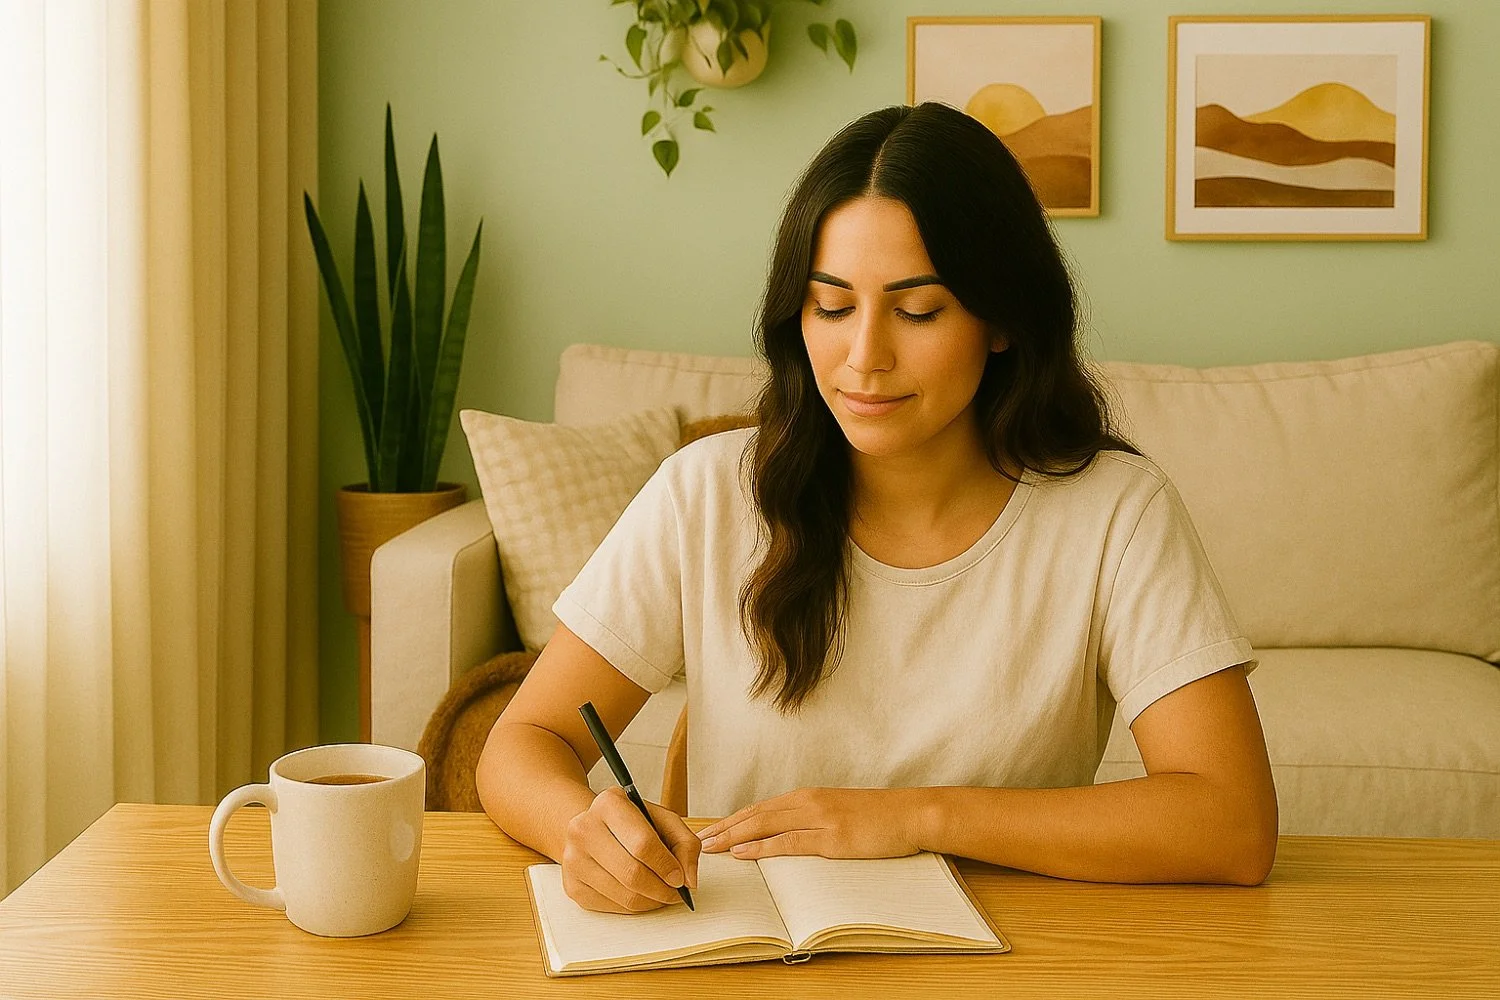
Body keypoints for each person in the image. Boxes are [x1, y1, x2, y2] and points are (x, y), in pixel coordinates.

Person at [476, 101, 1277, 915]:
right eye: (832, 306)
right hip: (751, 959)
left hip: (1014, 960)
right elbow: (522, 743)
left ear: (1000, 319)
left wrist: (917, 816)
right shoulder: (706, 494)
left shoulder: (1115, 514)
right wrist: (583, 829)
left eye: (917, 310)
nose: (864, 358)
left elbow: (1231, 822)